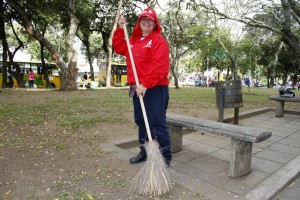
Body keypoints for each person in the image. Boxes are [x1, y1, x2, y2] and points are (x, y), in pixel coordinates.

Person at [113, 8, 172, 166]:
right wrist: (120, 28)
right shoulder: (133, 40)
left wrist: (145, 84)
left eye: (150, 20)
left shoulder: (158, 40)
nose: (146, 22)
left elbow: (160, 66)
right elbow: (118, 47)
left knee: (157, 122)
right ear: (139, 23)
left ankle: (165, 158)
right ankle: (145, 151)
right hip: (137, 88)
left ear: (155, 24)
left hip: (155, 89)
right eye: (143, 19)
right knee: (141, 121)